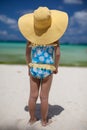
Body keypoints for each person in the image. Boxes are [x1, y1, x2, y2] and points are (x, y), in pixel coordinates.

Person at [18, 6, 68, 126]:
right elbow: (58, 54)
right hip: (47, 69)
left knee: (33, 96)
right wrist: (56, 67)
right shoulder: (55, 38)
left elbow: (27, 54)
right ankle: (44, 121)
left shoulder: (31, 38)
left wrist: (29, 68)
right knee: (44, 97)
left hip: (34, 67)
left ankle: (32, 119)